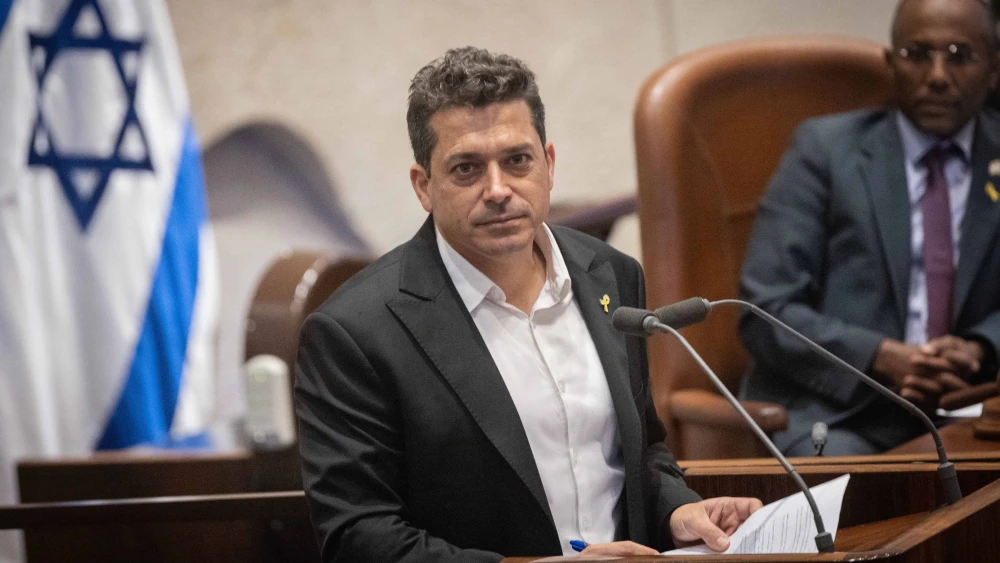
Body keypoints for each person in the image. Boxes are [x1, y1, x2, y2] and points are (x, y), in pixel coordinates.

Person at [295, 47, 760, 561]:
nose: (498, 190)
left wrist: (675, 510)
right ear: (423, 186)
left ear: (549, 163)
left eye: (517, 160)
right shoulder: (355, 332)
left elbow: (638, 450)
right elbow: (359, 538)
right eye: (467, 169)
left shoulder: (612, 274)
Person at [740, 0, 1000, 457]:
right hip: (842, 409)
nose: (938, 75)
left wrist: (981, 347)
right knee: (850, 490)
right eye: (917, 54)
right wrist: (879, 356)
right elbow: (765, 308)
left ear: (994, 70)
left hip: (971, 402)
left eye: (960, 55)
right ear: (889, 64)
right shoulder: (824, 151)